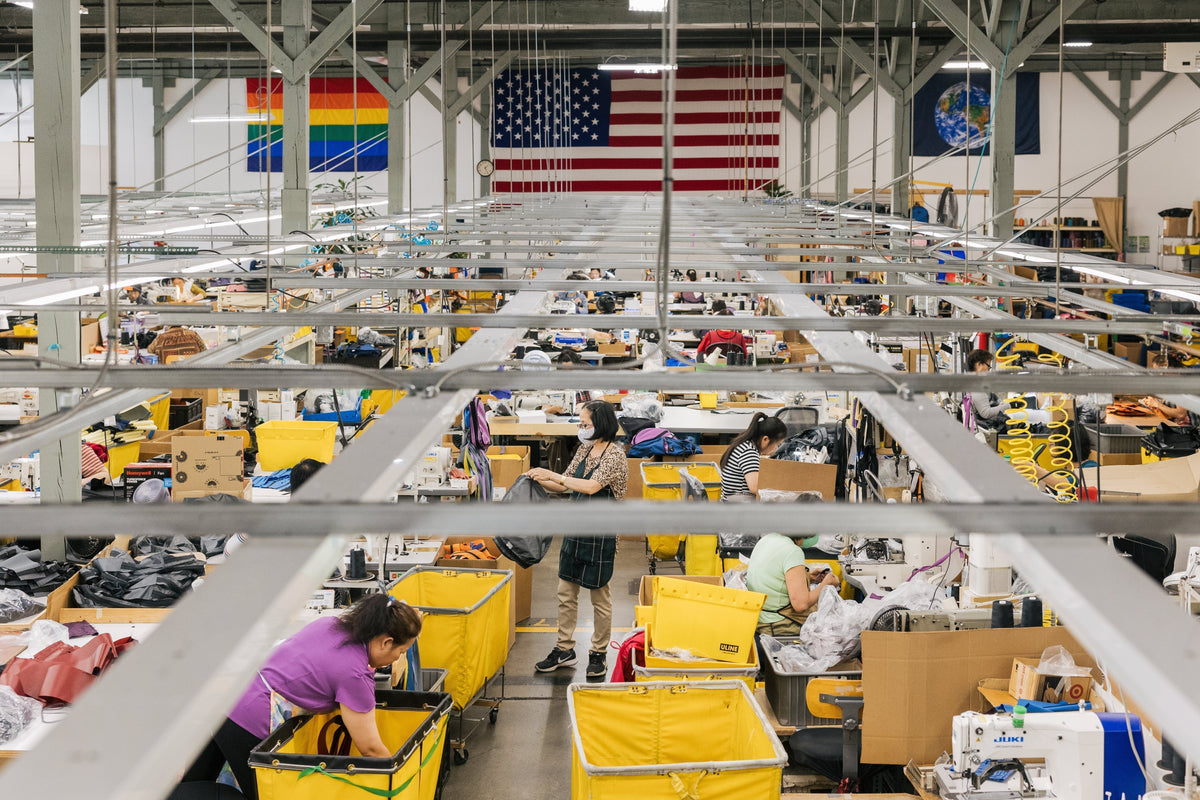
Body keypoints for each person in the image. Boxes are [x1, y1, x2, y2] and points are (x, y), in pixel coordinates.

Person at [183, 594, 422, 799]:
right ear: (386, 642)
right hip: (250, 720)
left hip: (226, 699)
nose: (397, 658)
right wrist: (399, 784)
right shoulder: (355, 674)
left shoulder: (330, 624)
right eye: (401, 651)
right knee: (264, 794)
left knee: (194, 782)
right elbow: (370, 749)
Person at [526, 400, 627, 679]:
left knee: (600, 597)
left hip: (600, 536)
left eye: (585, 424)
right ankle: (564, 649)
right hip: (576, 530)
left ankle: (598, 653)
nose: (581, 429)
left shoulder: (615, 455)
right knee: (566, 593)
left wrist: (553, 474)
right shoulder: (585, 449)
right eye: (580, 424)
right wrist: (537, 478)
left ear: (601, 424)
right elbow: (564, 483)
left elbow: (591, 487)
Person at [746, 533, 842, 635]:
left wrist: (808, 578)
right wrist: (826, 584)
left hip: (758, 621)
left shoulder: (766, 540)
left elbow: (772, 578)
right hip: (779, 624)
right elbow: (801, 605)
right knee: (838, 628)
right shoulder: (793, 551)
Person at [719, 412, 788, 500]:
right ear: (765, 439)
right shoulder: (748, 452)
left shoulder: (745, 444)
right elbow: (755, 488)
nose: (776, 449)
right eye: (777, 444)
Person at [965, 348, 1010, 431]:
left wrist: (998, 405)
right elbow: (986, 413)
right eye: (988, 366)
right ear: (979, 365)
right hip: (979, 429)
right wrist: (1009, 405)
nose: (989, 371)